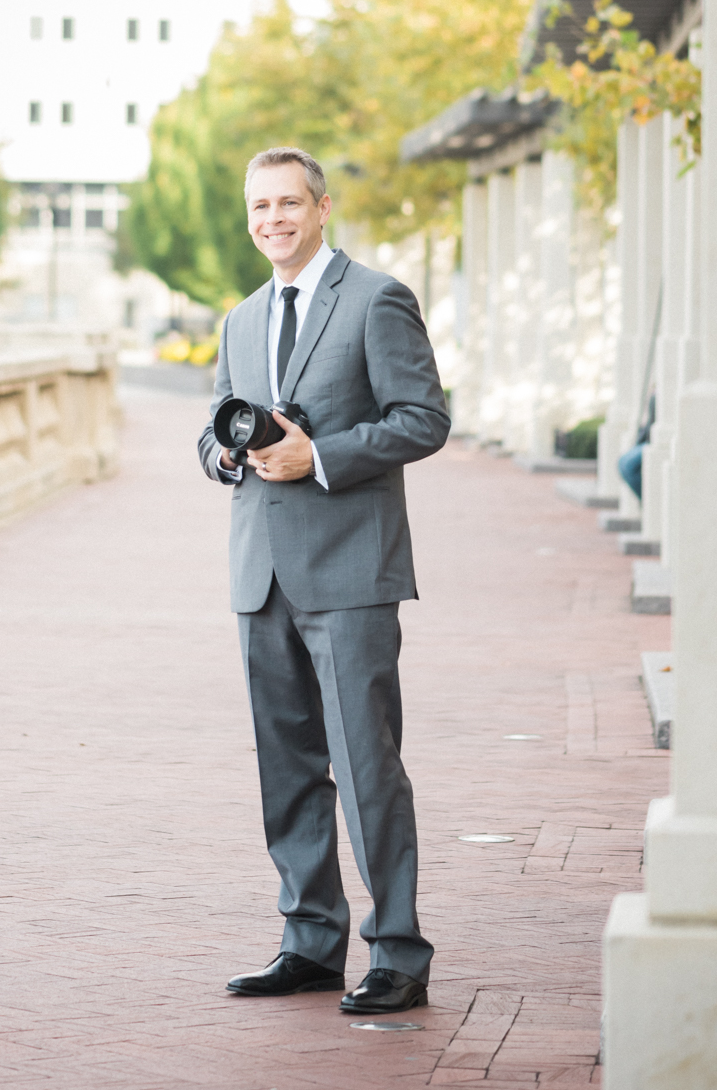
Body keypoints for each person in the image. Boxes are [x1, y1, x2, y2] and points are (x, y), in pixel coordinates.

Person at [196, 146, 450, 1015]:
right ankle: (309, 941)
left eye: (289, 204)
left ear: (322, 207)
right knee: (289, 767)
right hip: (260, 574)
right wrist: (229, 449)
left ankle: (399, 954)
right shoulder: (240, 317)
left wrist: (322, 455)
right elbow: (214, 426)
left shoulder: (377, 299)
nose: (274, 219)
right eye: (260, 206)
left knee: (367, 765)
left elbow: (425, 419)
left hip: (349, 572)